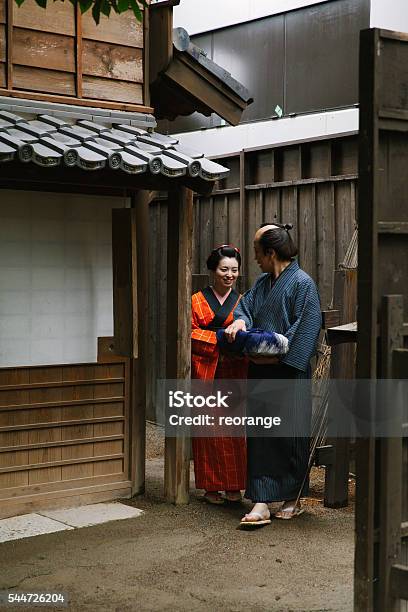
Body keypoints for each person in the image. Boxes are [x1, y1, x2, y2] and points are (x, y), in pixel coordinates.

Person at [224, 224, 322, 526]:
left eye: (256, 252)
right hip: (260, 371)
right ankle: (262, 501)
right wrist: (239, 324)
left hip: (287, 373)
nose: (255, 259)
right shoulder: (264, 283)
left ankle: (292, 497)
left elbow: (305, 328)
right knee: (261, 436)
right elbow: (245, 309)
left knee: (289, 436)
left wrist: (275, 356)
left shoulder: (303, 284)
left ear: (271, 252)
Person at [191, 245, 248, 505]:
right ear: (213, 271)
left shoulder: (242, 302)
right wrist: (219, 339)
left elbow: (250, 328)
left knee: (235, 430)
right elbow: (189, 332)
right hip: (207, 369)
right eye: (224, 269)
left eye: (234, 270)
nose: (229, 275)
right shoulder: (196, 300)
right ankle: (211, 486)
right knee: (208, 431)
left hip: (234, 369)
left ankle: (234, 485)